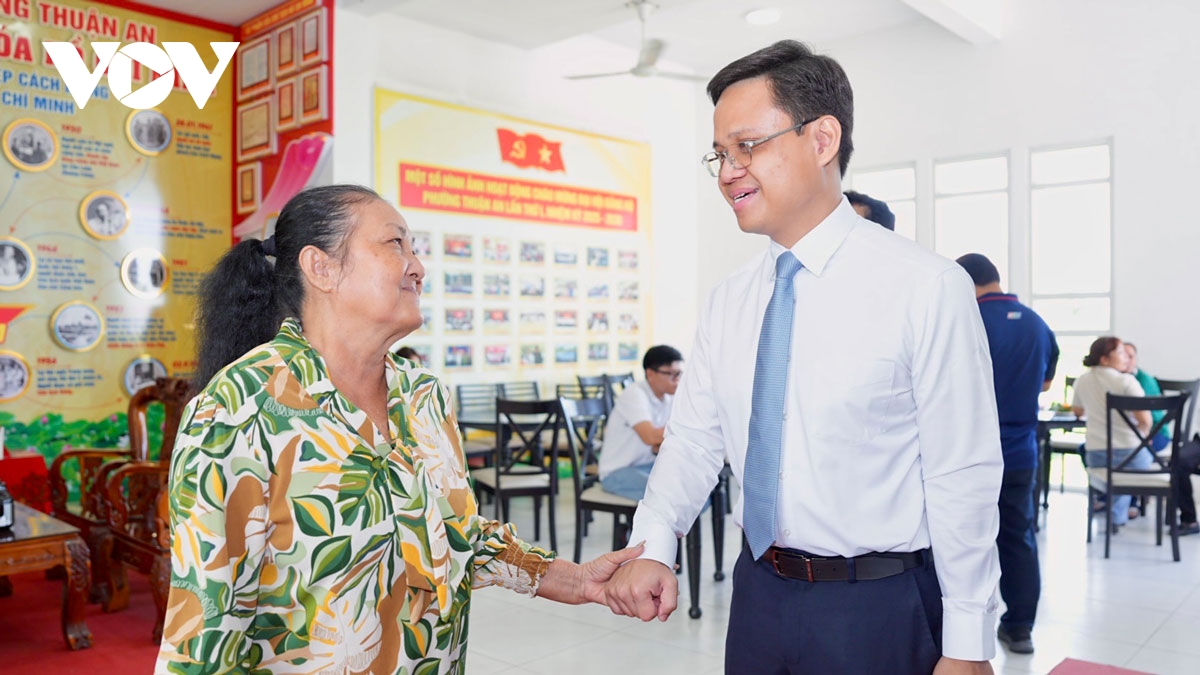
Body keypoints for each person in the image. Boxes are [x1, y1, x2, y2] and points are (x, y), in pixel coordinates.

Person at [605, 41, 1003, 674]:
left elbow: (963, 472)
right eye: (720, 154)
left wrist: (967, 643)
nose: (727, 172)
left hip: (878, 605)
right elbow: (695, 440)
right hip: (758, 593)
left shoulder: (924, 286)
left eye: (747, 146)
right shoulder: (730, 300)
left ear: (822, 140)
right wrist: (654, 543)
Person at [156, 185, 639, 673]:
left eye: (415, 249)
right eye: (395, 244)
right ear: (321, 267)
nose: (418, 267)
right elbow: (206, 629)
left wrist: (575, 579)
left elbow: (459, 533)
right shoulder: (239, 409)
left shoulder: (424, 395)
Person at [957, 253, 1058, 655]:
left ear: (965, 284)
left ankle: (963, 634)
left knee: (962, 543)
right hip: (1020, 455)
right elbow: (1046, 383)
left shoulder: (968, 320)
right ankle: (1019, 629)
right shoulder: (1037, 323)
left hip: (969, 456)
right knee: (1019, 539)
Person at [1071, 336, 1154, 532]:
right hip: (1129, 454)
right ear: (1104, 359)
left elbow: (1078, 411)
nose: (1126, 357)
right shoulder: (1126, 381)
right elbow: (1145, 421)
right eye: (1121, 353)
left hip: (1096, 455)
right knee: (1132, 464)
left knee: (1114, 472)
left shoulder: (1082, 380)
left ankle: (1114, 513)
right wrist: (1142, 436)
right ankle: (1118, 515)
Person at [599, 345, 683, 501]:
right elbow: (650, 437)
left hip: (649, 465)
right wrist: (685, 431)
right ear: (650, 374)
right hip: (619, 471)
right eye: (671, 374)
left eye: (679, 374)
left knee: (694, 486)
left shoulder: (669, 397)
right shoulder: (634, 394)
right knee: (669, 493)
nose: (677, 380)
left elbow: (661, 442)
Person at [1123, 342, 1169, 451]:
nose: (1126, 360)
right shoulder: (1120, 380)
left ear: (1136, 359)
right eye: (1123, 356)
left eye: (1130, 357)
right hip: (1130, 432)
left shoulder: (1143, 381)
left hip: (1155, 432)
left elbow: (1145, 421)